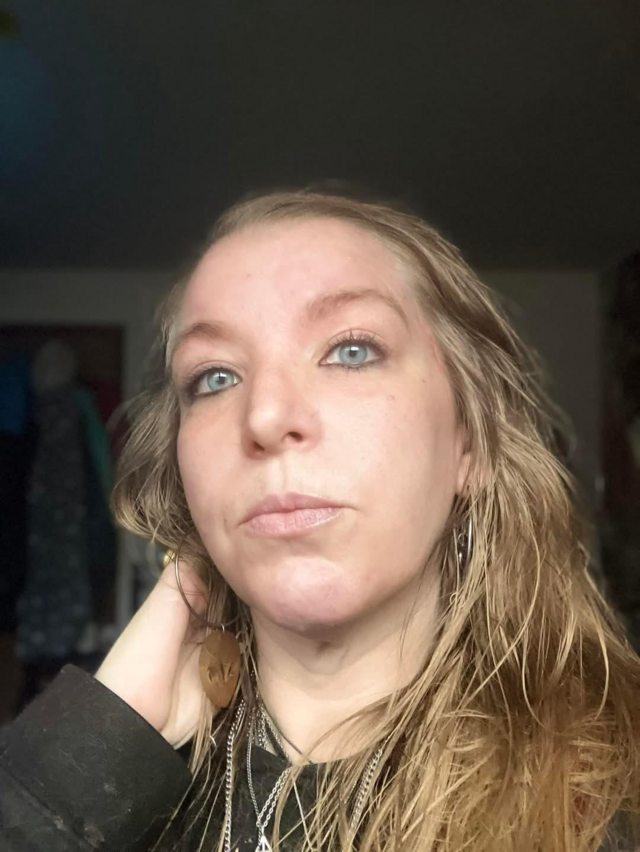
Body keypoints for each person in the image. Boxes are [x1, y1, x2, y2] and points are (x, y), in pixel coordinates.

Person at [2, 188, 640, 852]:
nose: (265, 416)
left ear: (468, 444)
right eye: (215, 377)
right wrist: (80, 766)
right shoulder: (93, 767)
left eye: (351, 350)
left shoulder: (612, 800)